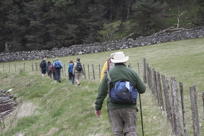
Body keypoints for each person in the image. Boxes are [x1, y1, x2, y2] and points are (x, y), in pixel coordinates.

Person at [95, 51, 146, 136]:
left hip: (114, 107)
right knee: (131, 131)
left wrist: (98, 107)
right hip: (130, 107)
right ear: (124, 61)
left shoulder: (109, 74)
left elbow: (101, 92)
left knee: (117, 132)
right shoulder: (132, 73)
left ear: (114, 61)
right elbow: (142, 89)